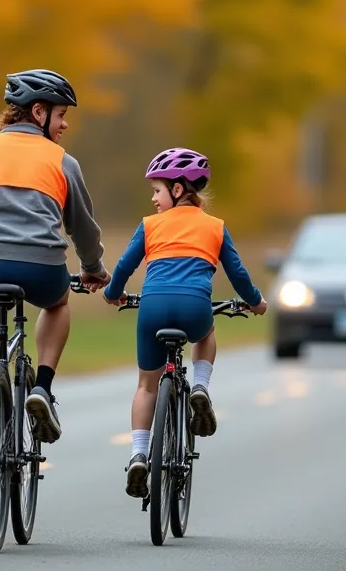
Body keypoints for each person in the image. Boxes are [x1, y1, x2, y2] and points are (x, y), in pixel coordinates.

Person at [0, 68, 111, 506]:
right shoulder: (62, 162)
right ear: (38, 111)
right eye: (61, 115)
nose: (65, 124)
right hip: (43, 267)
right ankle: (42, 388)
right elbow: (84, 230)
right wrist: (93, 269)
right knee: (57, 304)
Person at [102, 147, 267, 499]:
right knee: (206, 333)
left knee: (146, 386)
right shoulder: (216, 227)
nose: (153, 198)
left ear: (178, 190)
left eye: (157, 189)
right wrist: (256, 302)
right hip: (194, 309)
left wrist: (113, 293)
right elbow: (237, 273)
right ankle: (201, 387)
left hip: (152, 310)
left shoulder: (149, 226)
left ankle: (138, 454)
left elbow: (123, 268)